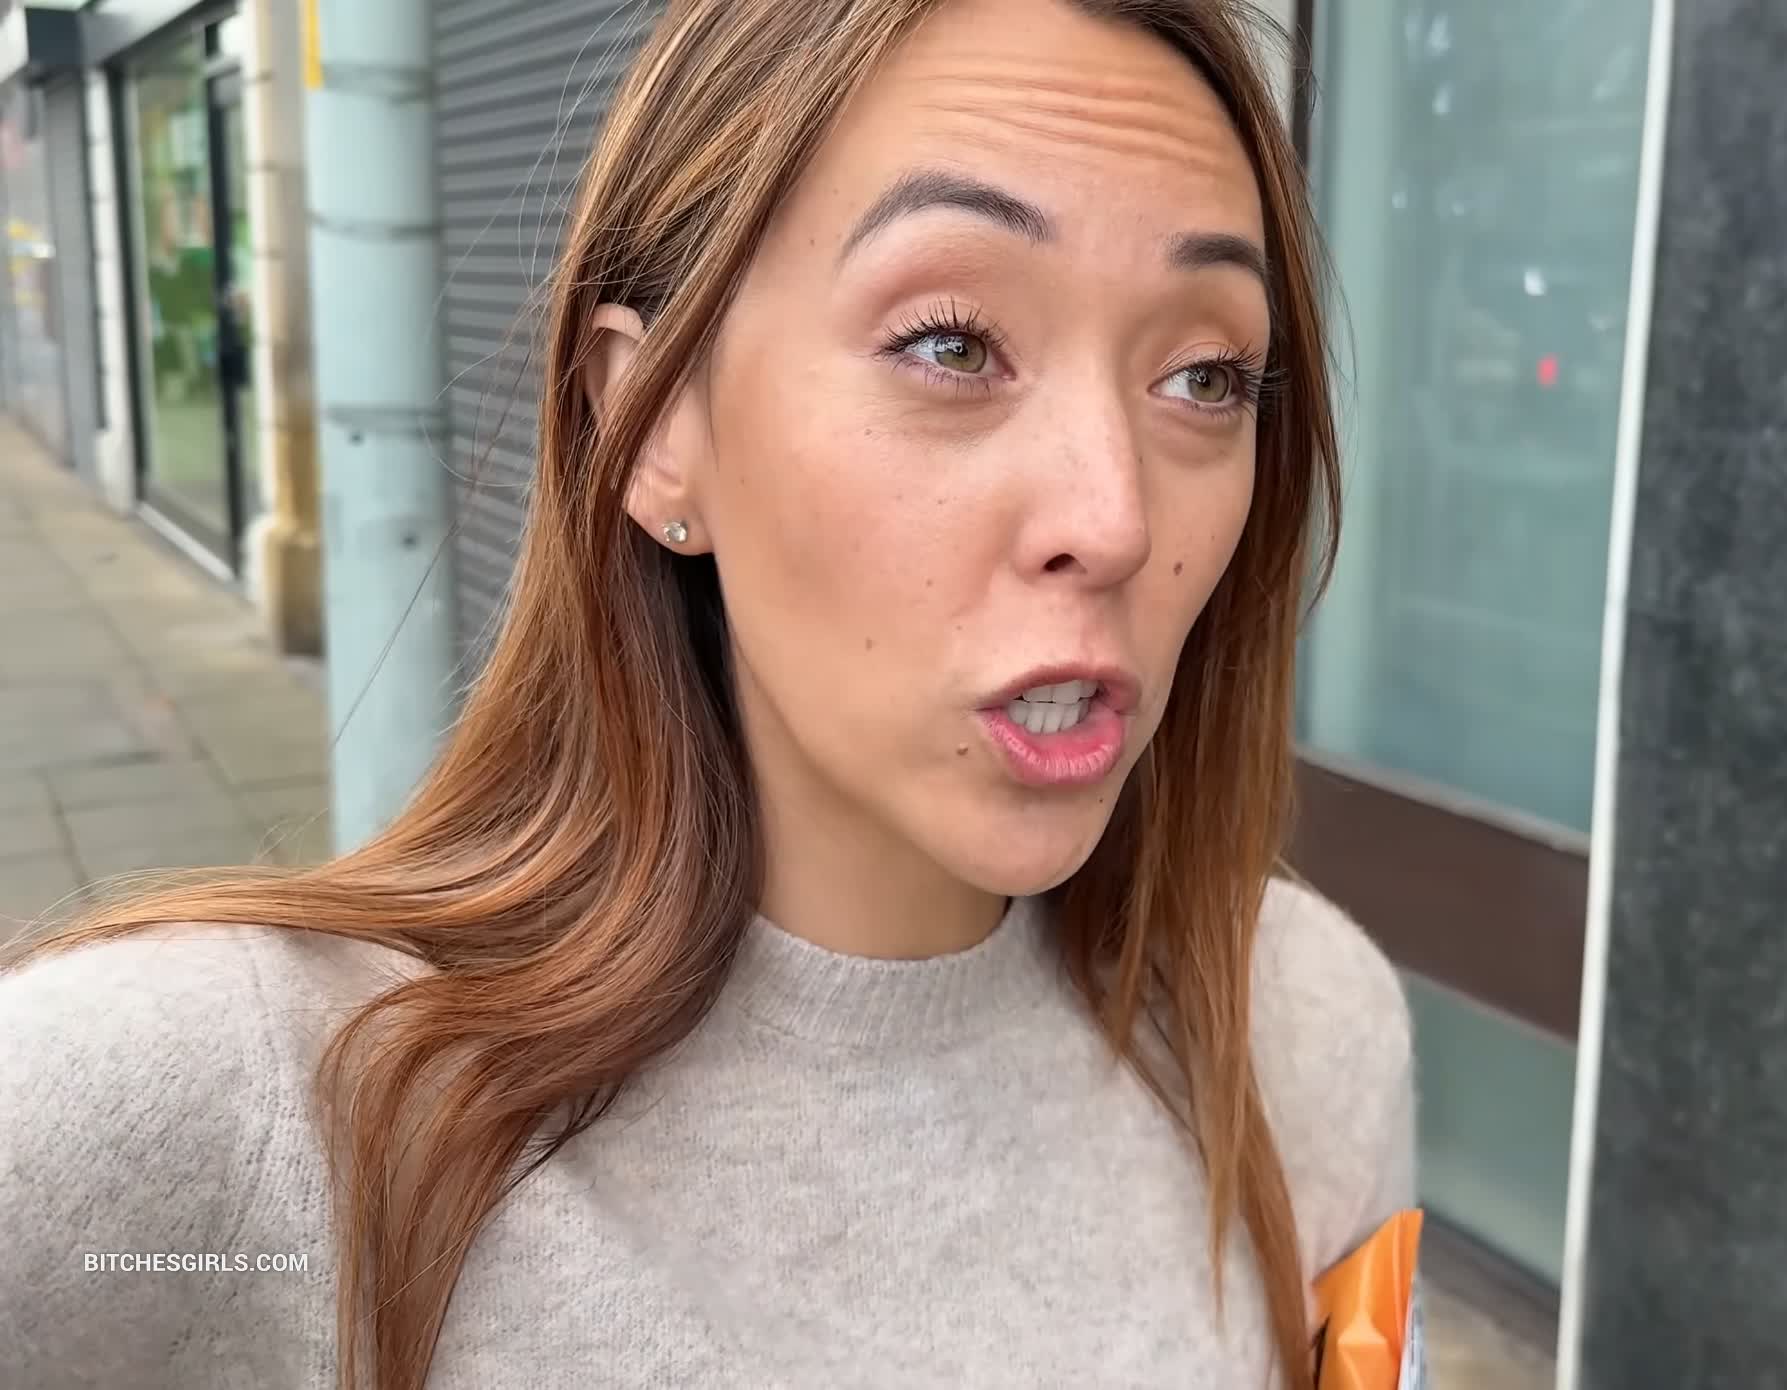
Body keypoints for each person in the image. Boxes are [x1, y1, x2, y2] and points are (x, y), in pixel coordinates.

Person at [0, 1, 1414, 1387]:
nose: (1114, 518)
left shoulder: (1301, 1026)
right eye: (952, 344)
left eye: (1205, 375)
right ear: (652, 425)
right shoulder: (253, 1112)